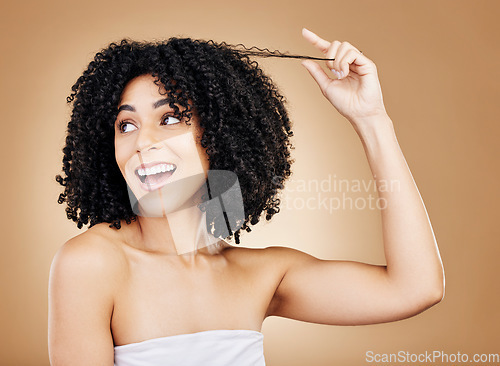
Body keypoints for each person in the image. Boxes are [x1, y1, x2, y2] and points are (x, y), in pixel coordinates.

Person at [48, 28, 445, 366]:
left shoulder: (261, 275)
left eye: (169, 118)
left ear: (221, 135)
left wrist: (371, 120)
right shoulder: (91, 263)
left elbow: (416, 288)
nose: (142, 142)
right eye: (126, 124)